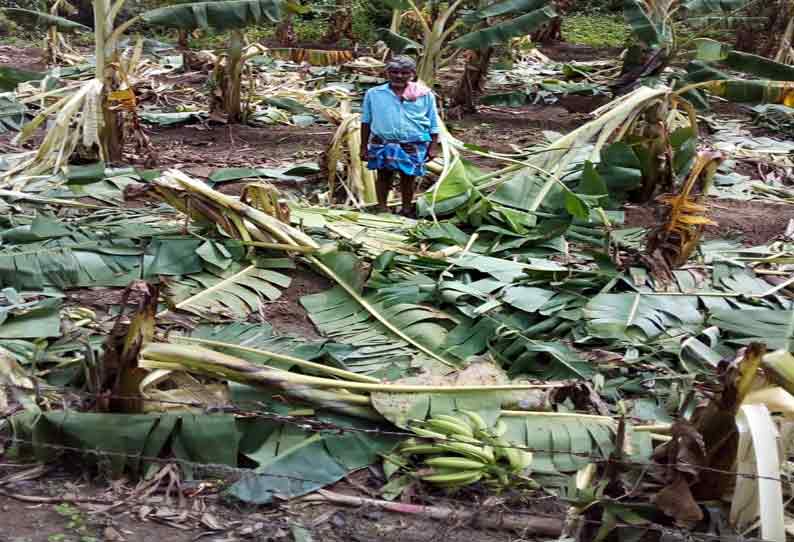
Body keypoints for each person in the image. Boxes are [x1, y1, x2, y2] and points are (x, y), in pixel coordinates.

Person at [359, 56, 440, 216]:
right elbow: (366, 121)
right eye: (394, 72)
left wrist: (433, 146)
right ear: (387, 73)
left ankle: (406, 208)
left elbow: (433, 121)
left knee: (408, 176)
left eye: (404, 72)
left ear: (412, 74)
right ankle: (382, 208)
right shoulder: (374, 94)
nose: (399, 76)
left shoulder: (424, 94)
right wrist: (363, 146)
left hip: (413, 142)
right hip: (383, 141)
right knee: (383, 175)